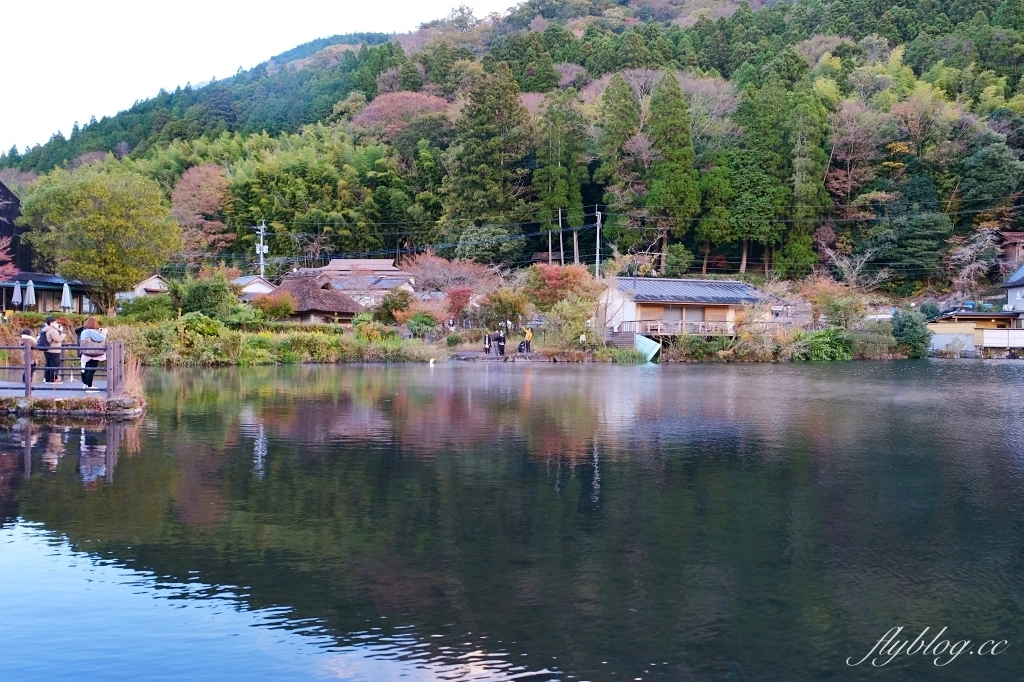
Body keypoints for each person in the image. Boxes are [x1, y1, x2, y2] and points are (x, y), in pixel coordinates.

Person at [78, 317, 108, 388]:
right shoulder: (91, 331)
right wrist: (104, 333)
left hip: (86, 352)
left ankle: (85, 384)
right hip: (94, 352)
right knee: (91, 369)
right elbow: (101, 338)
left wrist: (99, 332)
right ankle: (90, 386)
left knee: (87, 368)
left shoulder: (84, 331)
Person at [40, 317, 65, 384]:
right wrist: (62, 335)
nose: (56, 323)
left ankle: (47, 379)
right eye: (54, 322)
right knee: (55, 365)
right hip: (54, 350)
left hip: (47, 349)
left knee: (48, 364)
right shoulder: (52, 330)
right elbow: (57, 339)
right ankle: (53, 379)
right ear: (51, 323)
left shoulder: (44, 329)